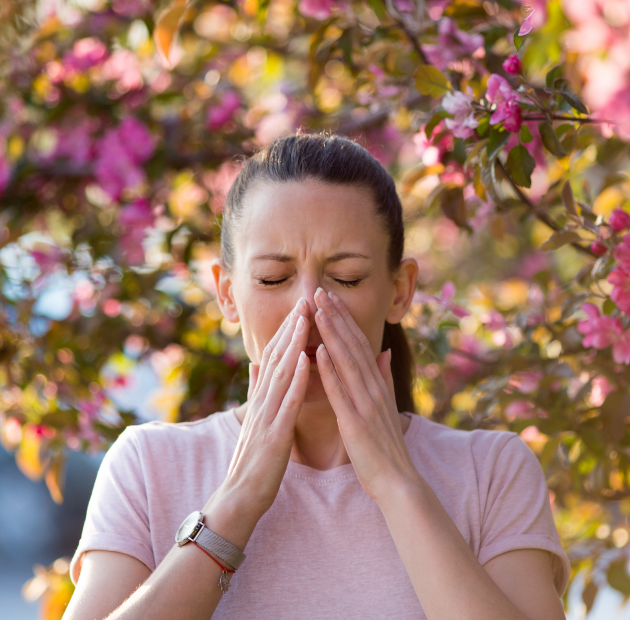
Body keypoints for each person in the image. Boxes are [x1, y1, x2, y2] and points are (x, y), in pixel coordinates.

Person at [64, 132, 570, 620]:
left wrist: (396, 484)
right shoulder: (148, 468)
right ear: (226, 293)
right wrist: (236, 501)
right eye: (273, 279)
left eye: (345, 278)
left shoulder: (491, 472)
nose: (307, 306)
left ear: (399, 290)